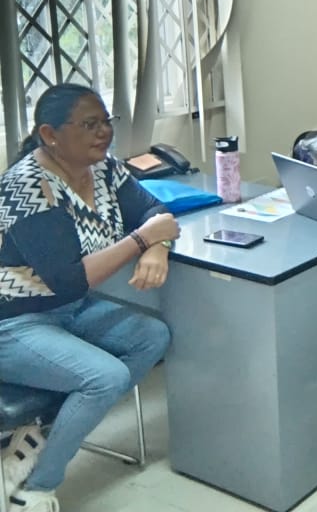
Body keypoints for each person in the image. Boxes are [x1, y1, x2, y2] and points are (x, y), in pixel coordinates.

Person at [0, 83, 179, 512]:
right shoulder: (26, 187)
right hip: (14, 323)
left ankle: (40, 434)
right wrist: (142, 240)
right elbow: (70, 280)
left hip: (69, 311)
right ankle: (34, 487)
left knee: (153, 336)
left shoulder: (105, 169)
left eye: (105, 121)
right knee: (105, 378)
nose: (104, 132)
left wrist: (157, 246)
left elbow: (154, 212)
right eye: (89, 124)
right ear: (50, 134)